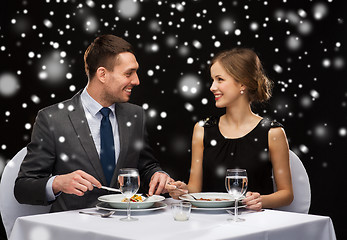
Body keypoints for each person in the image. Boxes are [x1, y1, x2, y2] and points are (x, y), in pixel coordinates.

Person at [14, 34, 172, 212]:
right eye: (129, 73)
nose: (136, 81)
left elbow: (146, 166)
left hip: (125, 226)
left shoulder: (135, 115)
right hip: (73, 230)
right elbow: (23, 188)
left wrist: (158, 175)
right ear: (102, 74)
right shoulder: (52, 119)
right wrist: (57, 183)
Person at [167, 48, 293, 211]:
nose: (212, 87)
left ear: (243, 83)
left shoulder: (272, 133)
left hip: (254, 223)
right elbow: (195, 190)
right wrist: (182, 190)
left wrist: (260, 200)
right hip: (211, 222)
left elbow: (287, 194)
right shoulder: (202, 129)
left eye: (220, 79)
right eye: (212, 80)